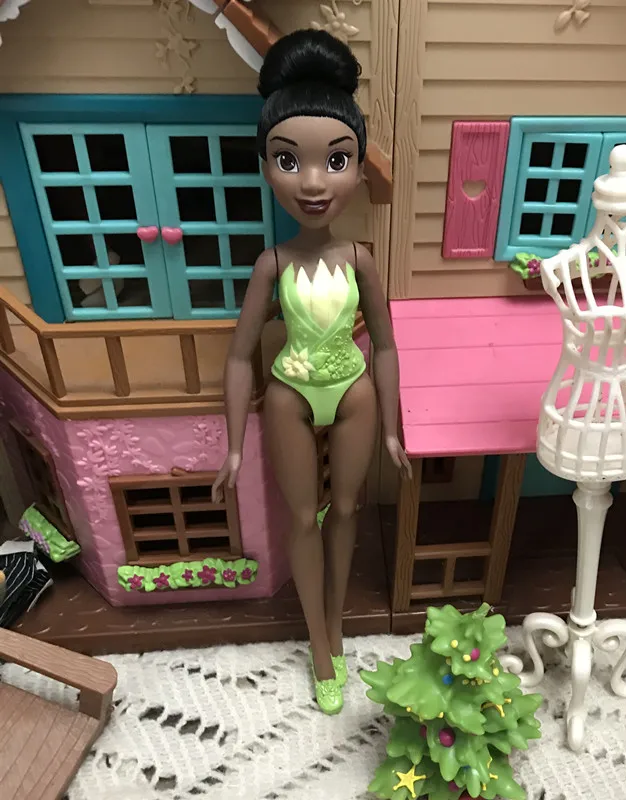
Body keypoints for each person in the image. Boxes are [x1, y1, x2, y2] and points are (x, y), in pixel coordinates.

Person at [212, 28, 411, 715]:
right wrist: (233, 446)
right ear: (268, 166)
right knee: (303, 517)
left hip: (353, 390)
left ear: (356, 167)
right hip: (291, 393)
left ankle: (336, 618)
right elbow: (239, 355)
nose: (314, 181)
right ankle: (320, 644)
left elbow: (385, 345)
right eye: (289, 160)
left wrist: (393, 430)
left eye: (337, 159)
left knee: (347, 508)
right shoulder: (272, 264)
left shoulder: (360, 259)